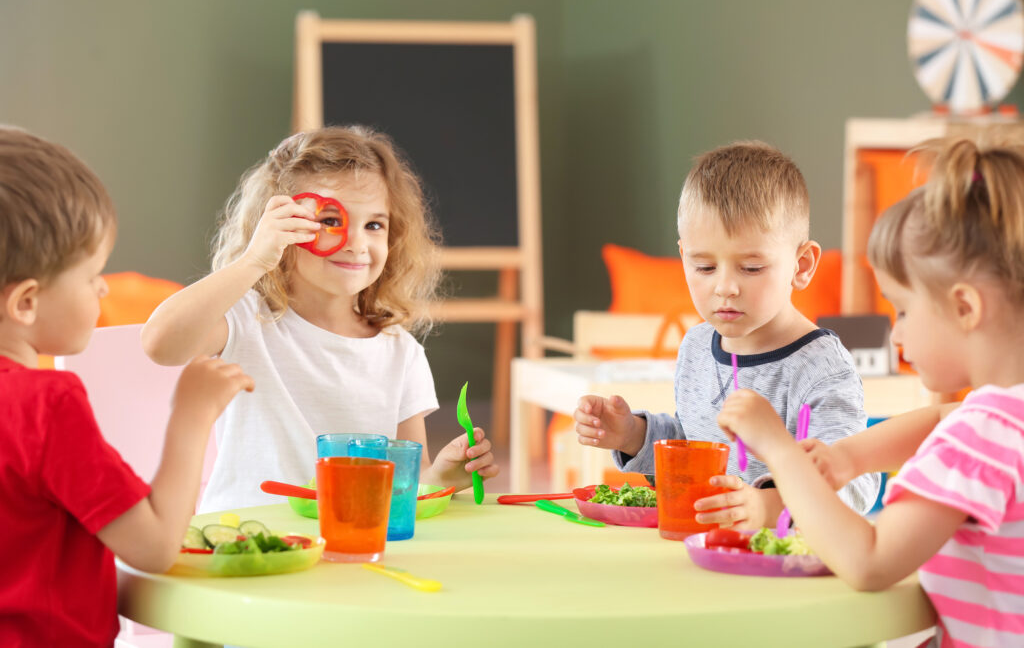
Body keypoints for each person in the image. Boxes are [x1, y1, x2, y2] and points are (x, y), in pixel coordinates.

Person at [718, 137, 1024, 647]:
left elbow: (869, 561)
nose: (896, 333)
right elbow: (944, 418)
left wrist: (779, 449)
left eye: (902, 309)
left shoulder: (981, 436)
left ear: (965, 308)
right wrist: (847, 459)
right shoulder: (1004, 421)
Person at [142, 125, 498, 512]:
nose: (357, 244)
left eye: (374, 225)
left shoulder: (401, 352)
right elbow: (161, 344)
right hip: (246, 536)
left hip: (347, 536)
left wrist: (441, 477)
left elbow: (405, 484)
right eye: (330, 221)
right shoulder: (246, 320)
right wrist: (254, 260)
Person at [0, 126, 253, 645]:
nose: (102, 288)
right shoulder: (45, 406)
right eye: (91, 274)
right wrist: (192, 414)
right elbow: (154, 546)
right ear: (26, 302)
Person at [574, 141, 879, 528]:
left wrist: (767, 507)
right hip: (705, 548)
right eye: (704, 267)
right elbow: (694, 446)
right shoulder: (697, 346)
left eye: (751, 268)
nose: (725, 288)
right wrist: (633, 435)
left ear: (801, 265)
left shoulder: (821, 367)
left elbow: (854, 484)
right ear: (684, 258)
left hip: (787, 556)